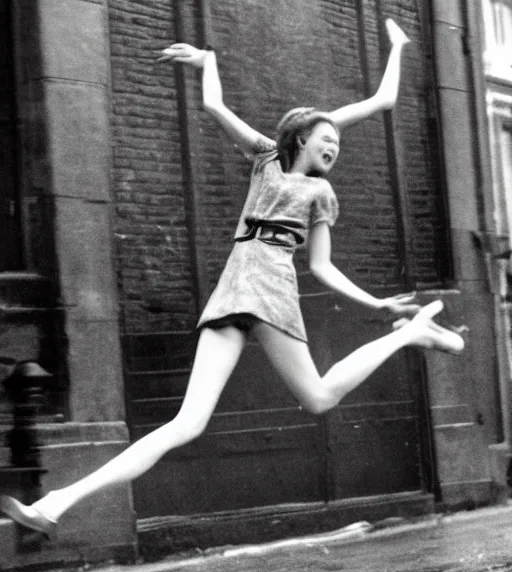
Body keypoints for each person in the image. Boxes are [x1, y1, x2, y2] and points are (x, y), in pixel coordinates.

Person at [0, 19, 464, 537]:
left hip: (271, 292)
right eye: (326, 138)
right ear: (301, 138)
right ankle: (57, 503)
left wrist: (376, 306)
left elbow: (322, 263)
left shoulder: (320, 196)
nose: (334, 146)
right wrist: (207, 62)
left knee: (318, 398)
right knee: (186, 423)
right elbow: (215, 108)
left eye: (338, 141)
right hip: (234, 289)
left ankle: (409, 335)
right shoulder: (266, 157)